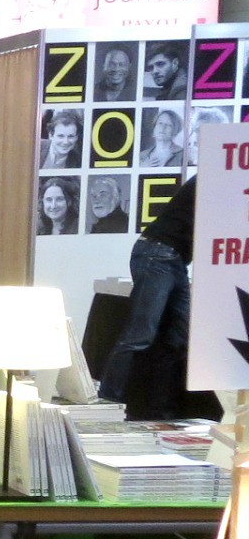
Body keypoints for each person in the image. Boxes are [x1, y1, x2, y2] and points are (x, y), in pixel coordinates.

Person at [100, 178, 196, 422]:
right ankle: (107, 403)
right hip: (158, 253)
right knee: (140, 336)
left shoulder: (217, 179)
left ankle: (161, 413)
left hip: (172, 258)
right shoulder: (216, 179)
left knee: (178, 339)